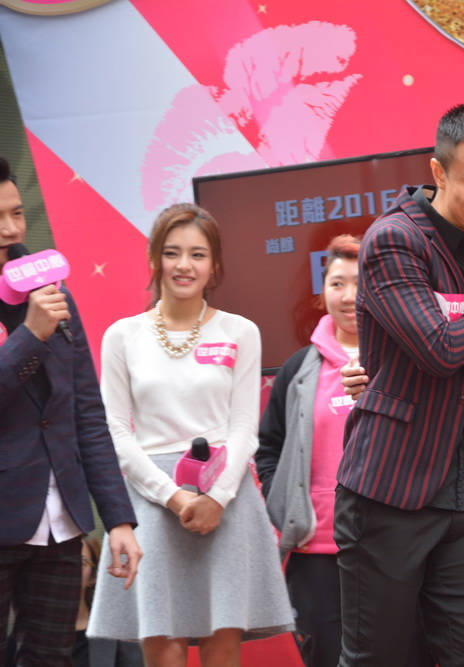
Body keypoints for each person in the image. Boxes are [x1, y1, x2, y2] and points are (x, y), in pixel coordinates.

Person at [335, 102, 464, 666]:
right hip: (390, 494)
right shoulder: (395, 240)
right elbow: (440, 349)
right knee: (378, 659)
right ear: (439, 172)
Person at [87, 203, 294, 666]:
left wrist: (216, 498)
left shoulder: (240, 331)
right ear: (154, 259)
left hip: (226, 496)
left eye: (198, 254)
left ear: (214, 265)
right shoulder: (122, 336)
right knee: (163, 646)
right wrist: (173, 497)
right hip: (151, 499)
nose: (184, 265)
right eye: (172, 253)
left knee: (223, 644)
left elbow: (244, 428)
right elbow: (115, 430)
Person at [0, 156, 141, 666]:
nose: (12, 230)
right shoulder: (40, 315)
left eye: (17, 213)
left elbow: (85, 412)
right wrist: (29, 337)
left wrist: (118, 519)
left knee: (52, 657)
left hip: (61, 524)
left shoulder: (52, 293)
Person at [256, 234, 361, 666]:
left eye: (360, 283)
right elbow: (269, 448)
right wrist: (282, 502)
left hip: (388, 547)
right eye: (337, 283)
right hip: (314, 550)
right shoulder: (298, 369)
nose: (349, 296)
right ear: (322, 294)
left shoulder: (402, 361)